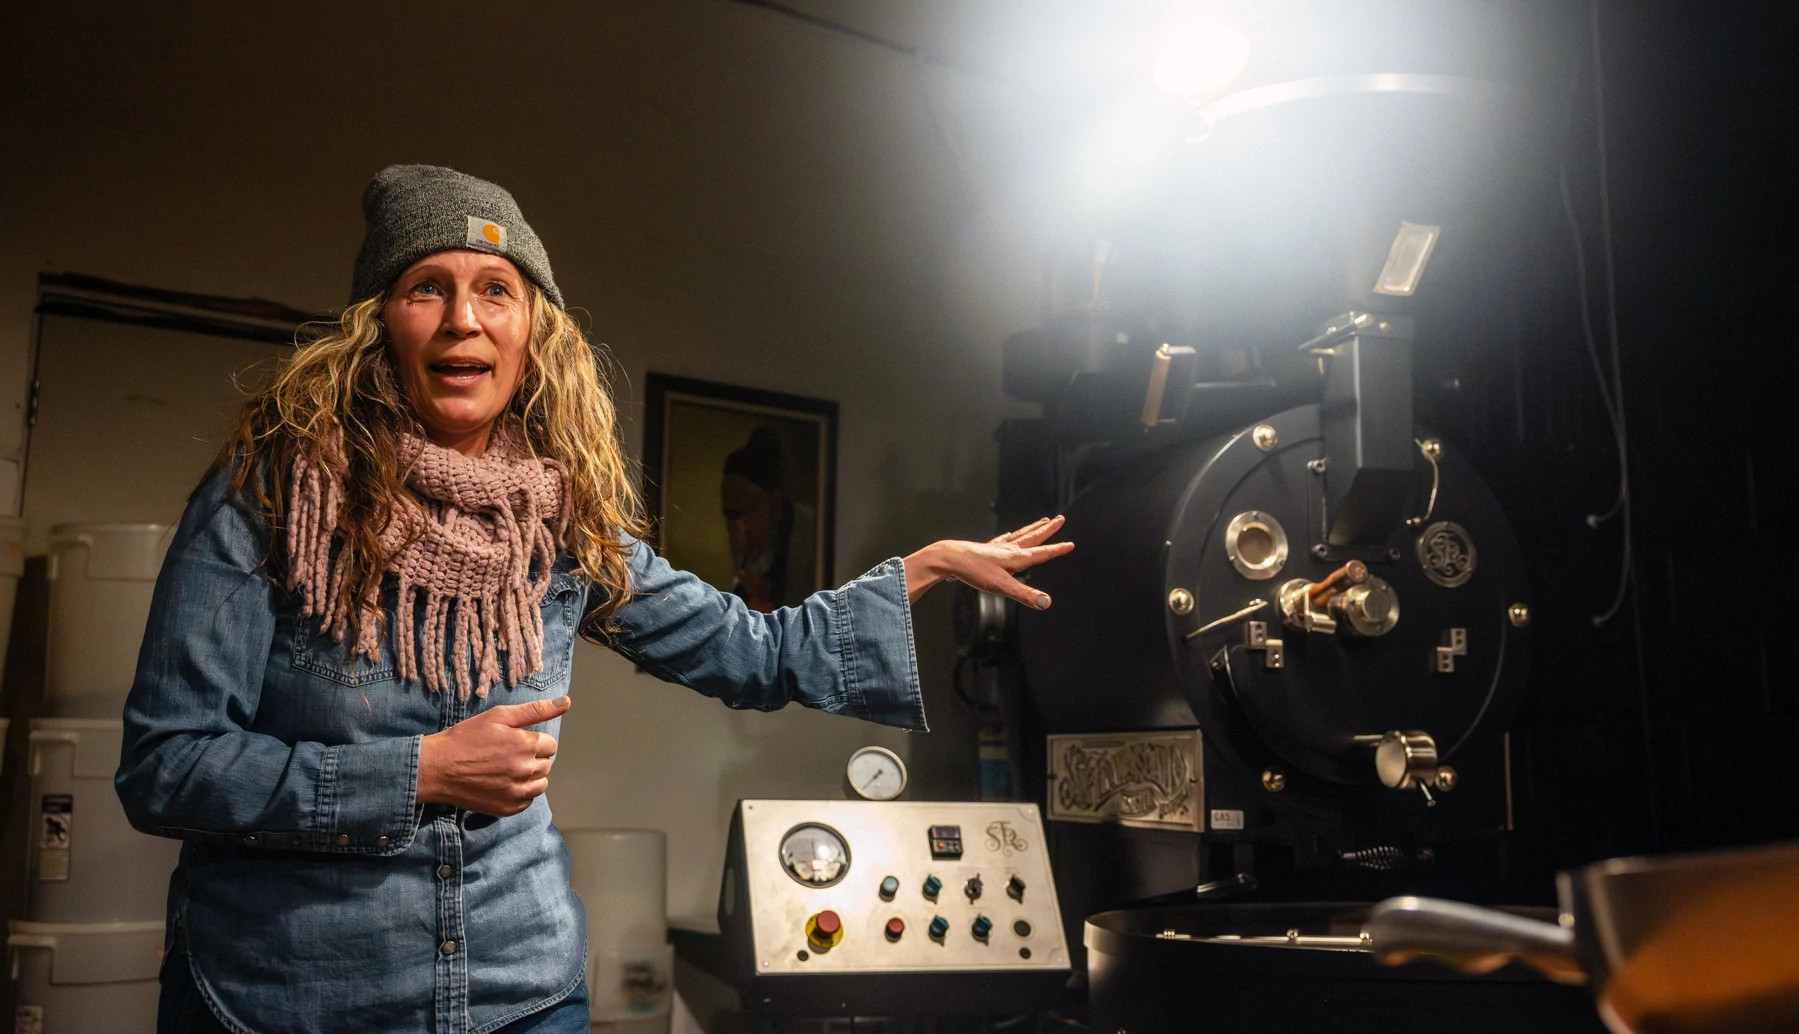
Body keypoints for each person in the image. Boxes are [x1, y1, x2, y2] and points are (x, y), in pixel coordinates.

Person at [114, 164, 1073, 1034]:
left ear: (533, 332)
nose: (463, 320)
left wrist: (923, 569)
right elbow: (169, 765)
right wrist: (418, 773)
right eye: (426, 290)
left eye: (496, 290)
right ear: (378, 325)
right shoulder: (271, 498)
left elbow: (754, 649)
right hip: (293, 997)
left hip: (517, 994)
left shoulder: (561, 528)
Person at [721, 426, 815, 611]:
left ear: (775, 503)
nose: (740, 535)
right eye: (732, 517)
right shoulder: (745, 544)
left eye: (749, 514)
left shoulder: (811, 532)